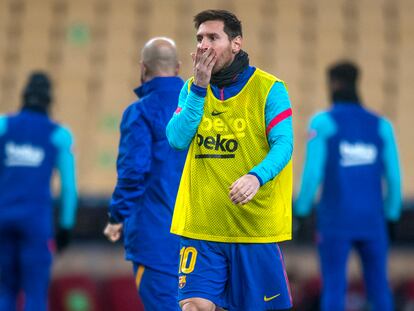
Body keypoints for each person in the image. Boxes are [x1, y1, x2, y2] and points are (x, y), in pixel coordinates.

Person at [166, 10, 294, 311]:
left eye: (213, 37)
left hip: (253, 228)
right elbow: (176, 138)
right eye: (199, 39)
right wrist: (199, 88)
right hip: (202, 225)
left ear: (236, 43)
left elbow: (284, 144)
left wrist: (256, 176)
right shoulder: (190, 88)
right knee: (193, 306)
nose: (204, 46)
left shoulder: (270, 88)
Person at [295, 61, 402, 311]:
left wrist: (301, 211)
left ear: (332, 84)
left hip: (335, 220)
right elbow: (395, 177)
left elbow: (312, 174)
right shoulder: (381, 125)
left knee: (334, 289)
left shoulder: (322, 122)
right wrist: (392, 215)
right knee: (379, 290)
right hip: (373, 221)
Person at [104, 37, 186, 311]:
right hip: (206, 241)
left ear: (143, 67)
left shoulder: (140, 112)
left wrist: (117, 216)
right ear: (178, 68)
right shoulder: (206, 109)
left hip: (157, 238)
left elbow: (133, 172)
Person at [0, 72, 78, 311]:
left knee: (4, 292)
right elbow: (68, 188)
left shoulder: (3, 125)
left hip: (3, 218)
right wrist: (65, 227)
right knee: (35, 294)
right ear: (49, 101)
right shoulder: (59, 134)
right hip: (36, 224)